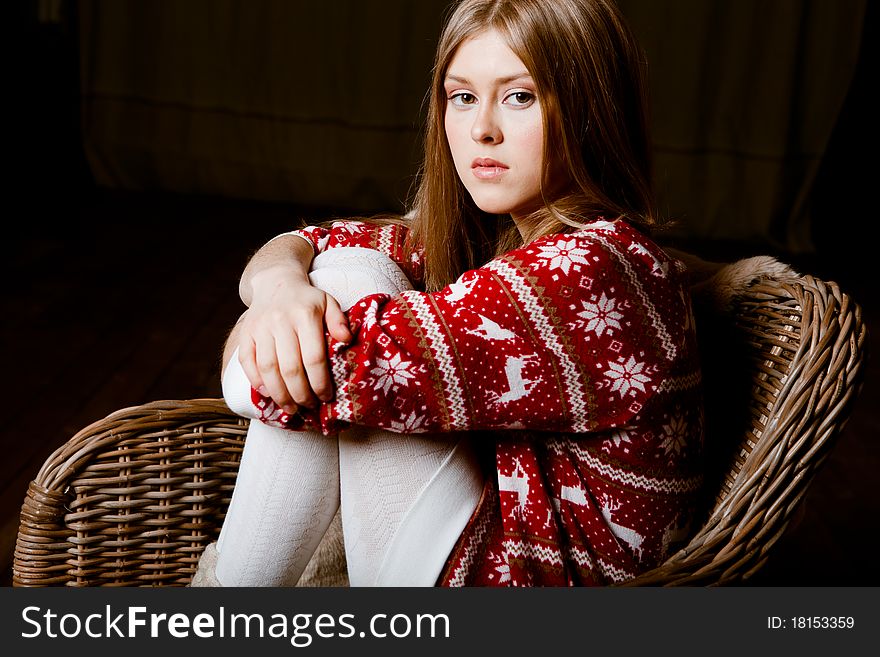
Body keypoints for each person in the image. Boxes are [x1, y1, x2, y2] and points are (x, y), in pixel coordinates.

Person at [193, 0, 704, 587]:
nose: (483, 128)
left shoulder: (593, 268)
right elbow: (302, 242)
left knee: (341, 283)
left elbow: (268, 383)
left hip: (528, 590)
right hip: (497, 538)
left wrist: (267, 324)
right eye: (462, 97)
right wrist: (281, 292)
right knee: (339, 271)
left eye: (520, 96)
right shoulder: (501, 234)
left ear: (593, 108)